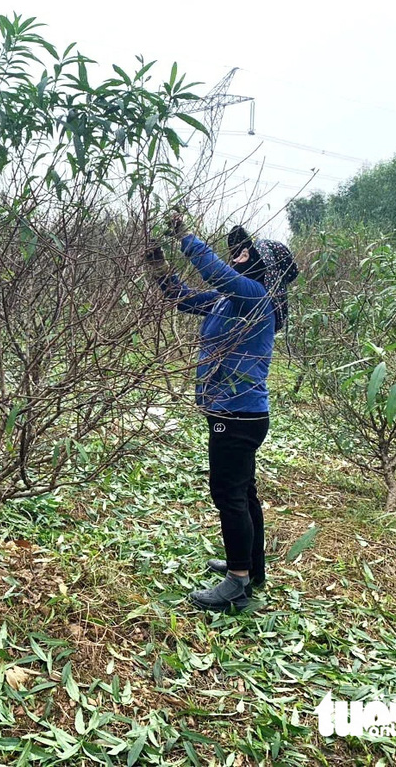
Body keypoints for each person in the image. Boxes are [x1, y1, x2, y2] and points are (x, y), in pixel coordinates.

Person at [146, 214, 294, 613]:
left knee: (228, 494)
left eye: (248, 251)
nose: (240, 253)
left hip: (239, 414)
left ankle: (237, 584)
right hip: (236, 412)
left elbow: (217, 272)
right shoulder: (228, 300)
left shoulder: (254, 295)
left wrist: (183, 236)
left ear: (263, 266)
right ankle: (250, 566)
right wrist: (157, 266)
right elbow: (182, 297)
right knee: (243, 492)